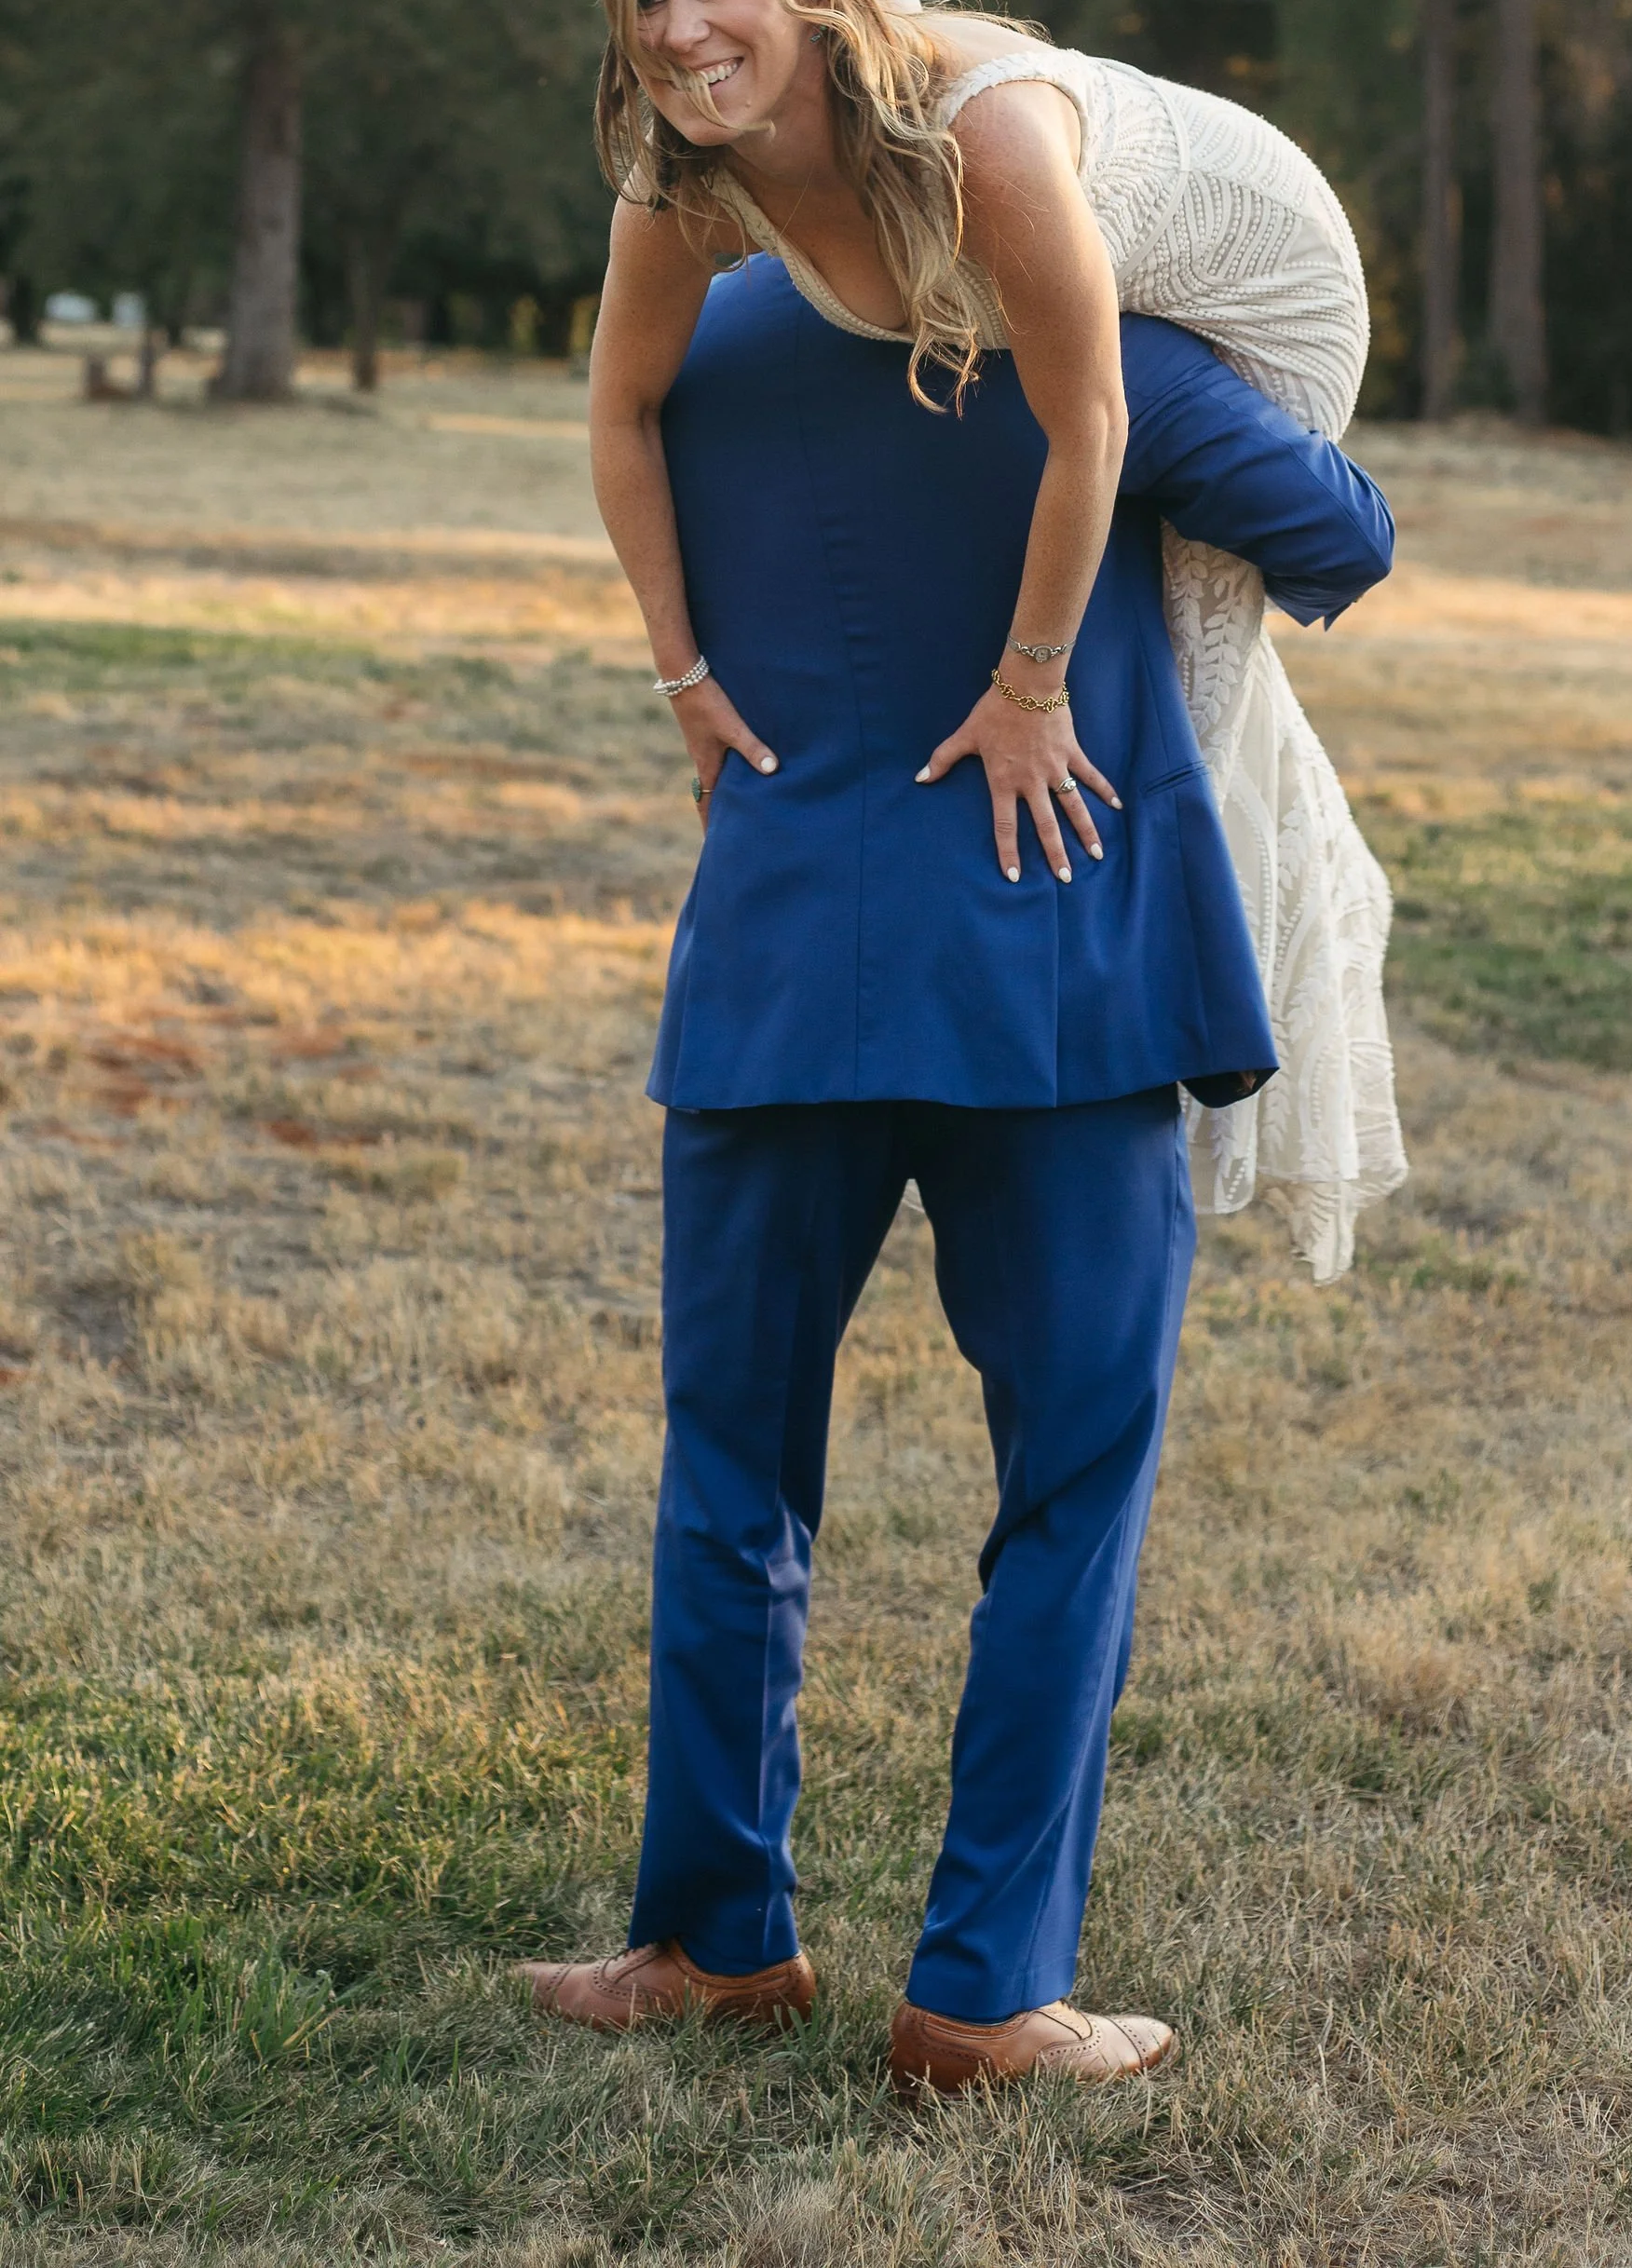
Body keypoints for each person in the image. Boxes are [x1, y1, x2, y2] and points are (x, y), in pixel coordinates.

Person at [524, 235, 1394, 2088]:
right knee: (1068, 1490)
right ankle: (982, 1988)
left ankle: (712, 1940)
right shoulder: (1101, 348)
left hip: (779, 963)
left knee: (730, 1468)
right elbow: (1341, 538)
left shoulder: (705, 336)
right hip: (1052, 976)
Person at [580, 0, 1404, 1285]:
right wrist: (683, 673)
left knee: (1191, 664)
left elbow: (1095, 424)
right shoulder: (685, 178)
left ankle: (1185, 974)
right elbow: (620, 407)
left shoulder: (984, 140)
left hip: (1247, 265)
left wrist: (1028, 687)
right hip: (990, 245)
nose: (678, 28)